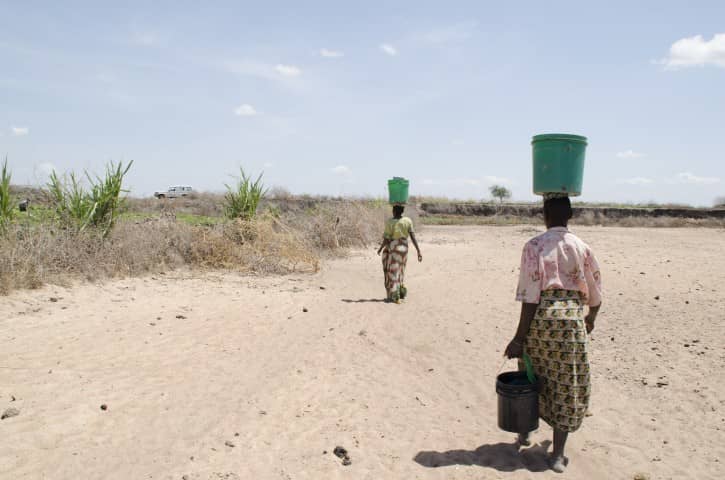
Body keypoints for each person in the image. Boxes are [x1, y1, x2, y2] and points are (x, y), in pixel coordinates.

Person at [504, 195, 602, 473]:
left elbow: (530, 296)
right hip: (571, 324)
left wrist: (519, 339)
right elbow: (595, 291)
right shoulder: (582, 247)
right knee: (566, 387)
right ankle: (557, 456)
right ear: (570, 214)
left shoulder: (534, 246)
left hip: (541, 324)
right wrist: (590, 319)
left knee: (531, 378)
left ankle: (524, 433)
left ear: (544, 214)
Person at [377, 204, 422, 303]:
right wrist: (418, 250)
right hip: (404, 249)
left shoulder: (390, 222)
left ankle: (394, 296)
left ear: (394, 211)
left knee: (393, 271)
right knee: (401, 270)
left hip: (395, 248)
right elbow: (413, 237)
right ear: (402, 212)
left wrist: (380, 249)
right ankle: (401, 293)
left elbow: (387, 239)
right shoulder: (408, 221)